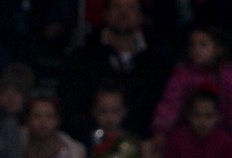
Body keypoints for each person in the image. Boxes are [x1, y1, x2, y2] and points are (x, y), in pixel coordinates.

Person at [57, 0, 173, 144]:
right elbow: (71, 105)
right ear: (105, 14)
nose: (123, 13)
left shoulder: (158, 60)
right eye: (117, 7)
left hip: (144, 148)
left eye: (130, 8)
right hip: (87, 148)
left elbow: (163, 105)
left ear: (141, 16)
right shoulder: (82, 56)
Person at [151, 26, 232, 154]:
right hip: (187, 135)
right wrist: (161, 131)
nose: (196, 49)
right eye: (193, 45)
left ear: (218, 49)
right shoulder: (182, 75)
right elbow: (170, 104)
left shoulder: (228, 75)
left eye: (203, 45)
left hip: (221, 134)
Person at [163, 89, 232, 158]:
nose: (202, 121)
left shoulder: (226, 142)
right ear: (188, 115)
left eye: (209, 116)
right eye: (197, 115)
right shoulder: (176, 139)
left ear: (218, 117)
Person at [22, 95, 86, 158]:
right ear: (27, 119)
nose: (43, 121)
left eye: (49, 116)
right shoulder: (16, 144)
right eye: (37, 116)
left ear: (58, 120)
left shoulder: (74, 152)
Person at [88, 84, 143, 158]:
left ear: (124, 111)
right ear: (93, 111)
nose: (109, 118)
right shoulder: (88, 141)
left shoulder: (131, 141)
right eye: (103, 111)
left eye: (115, 111)